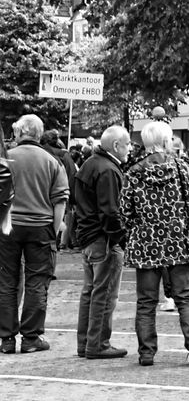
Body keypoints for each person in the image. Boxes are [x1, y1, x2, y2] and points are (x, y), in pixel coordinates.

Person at [120, 120, 189, 366]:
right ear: (167, 140)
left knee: (146, 302)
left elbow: (125, 211)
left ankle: (147, 352)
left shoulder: (133, 172)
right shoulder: (181, 168)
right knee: (185, 297)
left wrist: (138, 227)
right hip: (178, 239)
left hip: (146, 243)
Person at [0, 115, 69, 353]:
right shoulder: (51, 161)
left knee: (7, 282)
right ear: (39, 135)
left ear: (19, 133)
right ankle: (31, 337)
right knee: (37, 282)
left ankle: (6, 338)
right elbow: (60, 200)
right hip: (41, 226)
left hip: (8, 225)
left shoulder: (5, 158)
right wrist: (53, 229)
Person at [74, 125, 131, 359]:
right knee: (104, 293)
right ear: (116, 146)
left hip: (88, 236)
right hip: (103, 239)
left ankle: (86, 342)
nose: (129, 148)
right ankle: (97, 343)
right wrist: (122, 239)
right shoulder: (108, 170)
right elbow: (110, 212)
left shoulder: (90, 164)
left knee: (91, 291)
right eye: (127, 144)